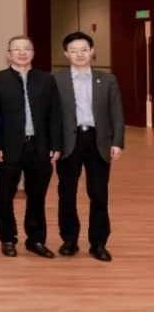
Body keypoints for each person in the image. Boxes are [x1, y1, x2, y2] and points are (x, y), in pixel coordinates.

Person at [52, 31, 124, 262]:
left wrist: (117, 142)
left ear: (92, 51)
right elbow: (50, 115)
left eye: (84, 49)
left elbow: (116, 113)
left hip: (98, 141)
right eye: (74, 50)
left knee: (99, 194)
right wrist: (53, 143)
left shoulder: (107, 79)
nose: (80, 54)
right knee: (66, 193)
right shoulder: (56, 79)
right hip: (68, 142)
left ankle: (98, 243)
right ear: (66, 54)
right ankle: (69, 240)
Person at [0, 35, 61, 259]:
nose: (22, 53)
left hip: (39, 147)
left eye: (26, 49)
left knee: (37, 196)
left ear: (33, 53)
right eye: (17, 49)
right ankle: (7, 239)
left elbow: (55, 114)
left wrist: (55, 144)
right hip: (8, 147)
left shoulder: (46, 80)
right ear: (9, 54)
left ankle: (36, 240)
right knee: (5, 196)